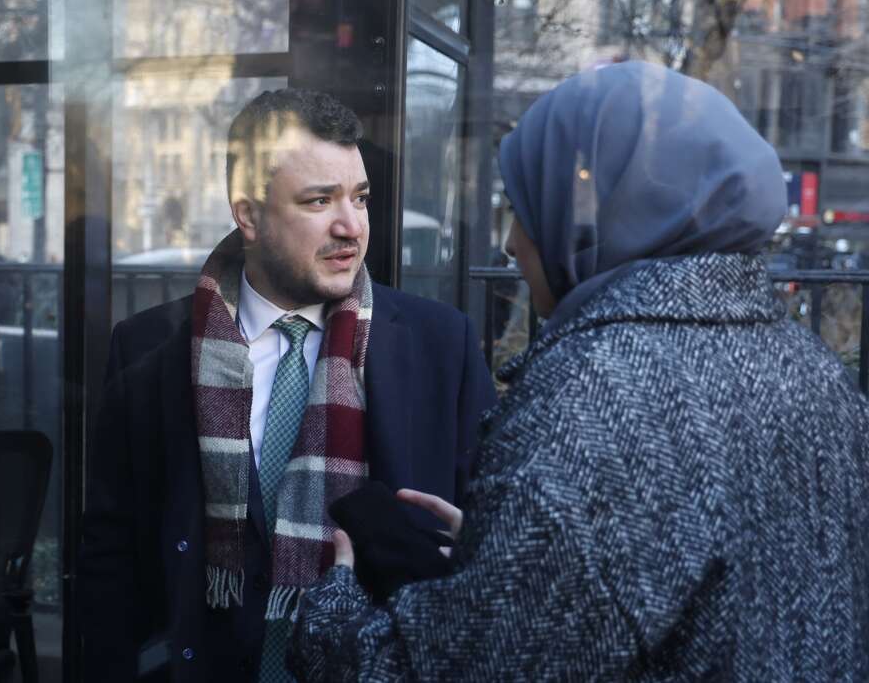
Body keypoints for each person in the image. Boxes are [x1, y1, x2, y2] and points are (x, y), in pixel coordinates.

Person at [288, 60, 869, 681]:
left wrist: (332, 613)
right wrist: (509, 560)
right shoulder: (816, 372)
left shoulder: (590, 402)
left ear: (601, 216)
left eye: (526, 208)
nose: (512, 243)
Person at [78, 88, 497, 681]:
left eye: (360, 198)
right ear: (248, 213)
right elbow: (111, 555)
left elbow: (488, 539)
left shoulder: (440, 345)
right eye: (318, 200)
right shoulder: (149, 347)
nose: (351, 226)